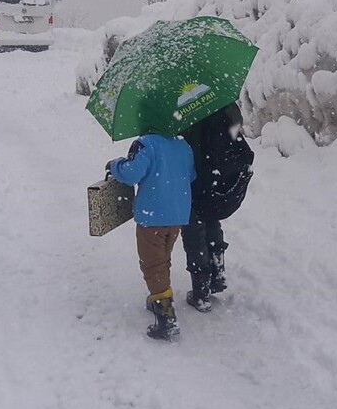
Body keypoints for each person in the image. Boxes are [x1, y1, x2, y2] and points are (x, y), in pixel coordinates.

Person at [107, 131, 195, 341]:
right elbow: (191, 175)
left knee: (152, 264)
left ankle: (167, 318)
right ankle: (159, 296)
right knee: (163, 258)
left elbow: (131, 174)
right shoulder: (183, 145)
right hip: (177, 213)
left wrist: (115, 165)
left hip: (153, 215)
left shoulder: (146, 144)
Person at [180, 102, 255, 312]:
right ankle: (217, 274)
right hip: (219, 175)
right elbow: (236, 125)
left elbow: (183, 144)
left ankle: (201, 292)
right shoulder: (220, 99)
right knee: (212, 218)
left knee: (193, 229)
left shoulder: (183, 106)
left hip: (196, 175)